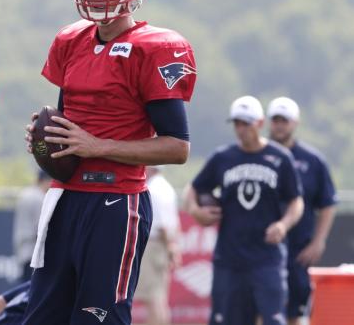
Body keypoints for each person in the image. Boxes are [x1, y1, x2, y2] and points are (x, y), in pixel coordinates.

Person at [24, 0, 196, 324]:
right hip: (65, 196)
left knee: (99, 316)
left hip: (116, 200)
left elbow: (177, 147)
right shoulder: (71, 41)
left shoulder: (155, 47)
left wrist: (97, 145)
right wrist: (45, 138)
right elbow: (65, 120)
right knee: (42, 316)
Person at [184, 95, 304, 325]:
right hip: (230, 258)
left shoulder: (279, 158)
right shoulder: (223, 157)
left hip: (267, 257)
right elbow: (194, 187)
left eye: (246, 123)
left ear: (259, 123)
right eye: (237, 123)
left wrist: (283, 224)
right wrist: (194, 210)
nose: (241, 129)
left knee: (273, 319)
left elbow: (296, 201)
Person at [266, 97, 337, 325]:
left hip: (297, 248)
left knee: (295, 314)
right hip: (262, 248)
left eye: (284, 120)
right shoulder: (256, 154)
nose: (279, 125)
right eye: (275, 119)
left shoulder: (313, 161)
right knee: (259, 310)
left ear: (295, 123)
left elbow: (327, 203)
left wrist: (318, 242)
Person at [134, 166, 181, 325]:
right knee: (159, 297)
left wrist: (169, 246)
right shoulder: (166, 187)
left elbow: (162, 226)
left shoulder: (153, 189)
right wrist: (172, 247)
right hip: (161, 245)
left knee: (152, 298)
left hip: (154, 245)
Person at [12, 170, 50, 283]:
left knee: (26, 290)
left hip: (24, 249)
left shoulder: (25, 194)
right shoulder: (39, 198)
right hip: (35, 251)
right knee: (32, 291)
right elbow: (40, 227)